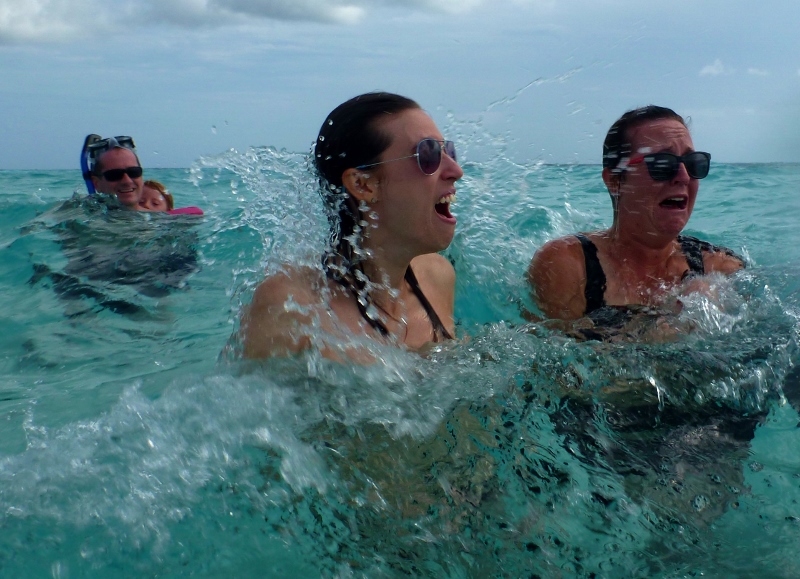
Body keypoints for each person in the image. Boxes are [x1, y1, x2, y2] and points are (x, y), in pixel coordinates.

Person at [242, 92, 462, 358]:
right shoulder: (293, 306)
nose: (455, 170)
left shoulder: (437, 277)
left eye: (449, 151)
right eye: (428, 154)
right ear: (363, 184)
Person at [528, 105, 744, 325]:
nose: (683, 176)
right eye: (661, 163)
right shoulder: (568, 266)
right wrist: (674, 325)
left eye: (694, 163)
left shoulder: (720, 268)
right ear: (615, 181)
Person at [87, 136, 144, 209]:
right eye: (115, 174)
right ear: (96, 184)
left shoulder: (160, 218)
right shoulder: (80, 217)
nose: (127, 181)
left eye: (134, 172)